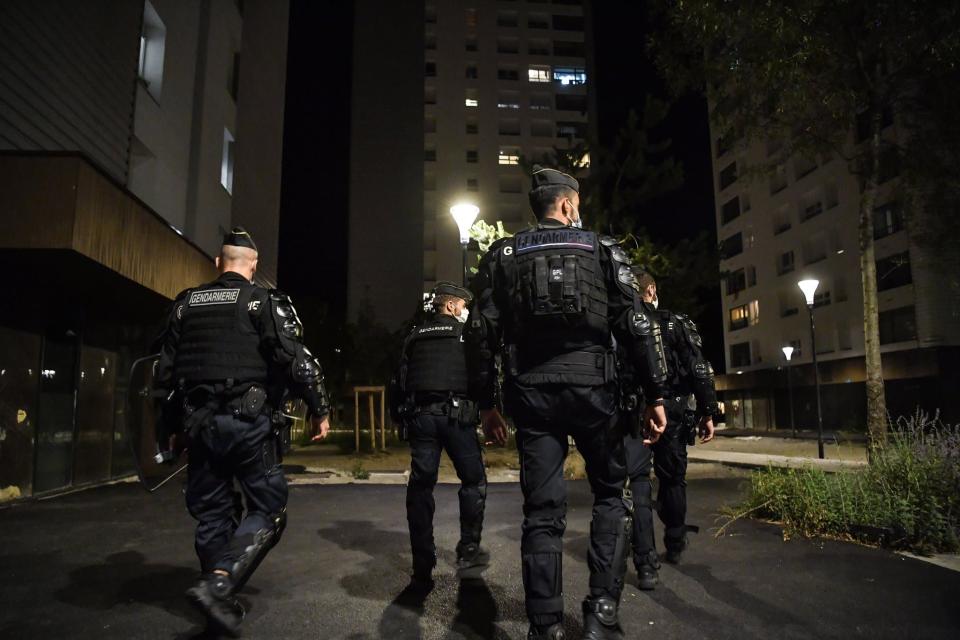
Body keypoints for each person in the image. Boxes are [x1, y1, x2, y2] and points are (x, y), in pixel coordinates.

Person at [465, 165, 669, 640]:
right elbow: (637, 327)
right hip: (595, 394)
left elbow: (479, 333)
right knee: (609, 496)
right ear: (568, 205)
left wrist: (486, 404)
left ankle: (545, 627)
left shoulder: (504, 254)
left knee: (541, 513)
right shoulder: (600, 249)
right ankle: (601, 612)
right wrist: (655, 394)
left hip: (532, 397)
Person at [154, 227, 330, 636]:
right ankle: (219, 584)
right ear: (253, 266)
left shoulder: (186, 306)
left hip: (199, 425)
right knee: (268, 509)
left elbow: (162, 377)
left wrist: (169, 430)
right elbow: (297, 362)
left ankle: (216, 596)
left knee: (213, 511)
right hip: (248, 425)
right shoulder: (261, 302)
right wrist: (320, 409)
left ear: (218, 263)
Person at [389, 282, 489, 590]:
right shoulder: (464, 336)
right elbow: (480, 375)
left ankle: (422, 562)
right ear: (450, 307)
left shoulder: (413, 336)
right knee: (473, 480)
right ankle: (468, 549)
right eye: (461, 305)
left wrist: (399, 417)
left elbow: (398, 380)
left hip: (421, 418)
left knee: (420, 487)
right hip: (457, 418)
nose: (464, 311)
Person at [625, 271, 717, 591]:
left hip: (634, 411)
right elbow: (699, 367)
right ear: (651, 289)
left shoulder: (621, 324)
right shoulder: (674, 322)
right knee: (673, 478)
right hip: (674, 410)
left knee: (638, 484)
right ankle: (675, 540)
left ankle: (646, 562)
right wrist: (708, 410)